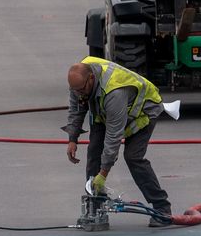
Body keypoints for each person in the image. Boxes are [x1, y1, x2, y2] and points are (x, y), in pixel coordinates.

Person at [63, 57, 175, 225]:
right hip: (106, 112)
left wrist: (103, 174)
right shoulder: (79, 81)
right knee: (94, 152)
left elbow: (114, 137)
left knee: (133, 157)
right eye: (75, 91)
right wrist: (72, 139)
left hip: (142, 113)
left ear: (91, 79)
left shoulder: (114, 92)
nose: (79, 94)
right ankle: (96, 206)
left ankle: (162, 208)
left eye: (81, 90)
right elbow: (76, 108)